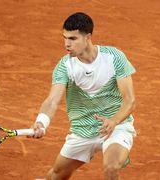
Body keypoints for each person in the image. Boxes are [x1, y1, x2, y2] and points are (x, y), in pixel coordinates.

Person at [30, 12, 137, 180]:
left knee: (111, 168)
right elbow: (52, 100)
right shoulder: (65, 66)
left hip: (115, 126)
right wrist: (41, 122)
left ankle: (116, 153)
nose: (66, 44)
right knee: (56, 176)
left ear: (88, 37)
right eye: (64, 38)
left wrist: (114, 120)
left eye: (73, 39)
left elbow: (130, 101)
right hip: (82, 130)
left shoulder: (114, 57)